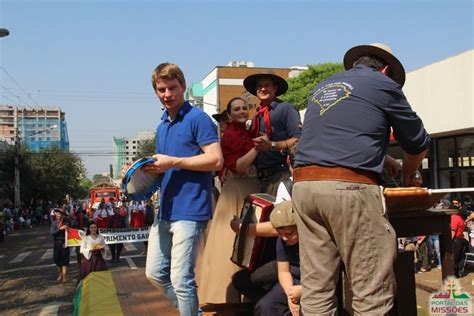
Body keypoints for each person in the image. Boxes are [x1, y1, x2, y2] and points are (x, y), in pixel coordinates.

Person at [292, 43, 431, 314]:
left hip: (305, 187)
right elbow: (417, 143)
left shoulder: (323, 85)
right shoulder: (383, 83)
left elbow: (338, 136)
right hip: (349, 190)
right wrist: (406, 175)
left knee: (317, 290)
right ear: (386, 69)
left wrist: (383, 159)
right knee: (371, 292)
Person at [142, 62, 223, 316]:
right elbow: (165, 167)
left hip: (190, 209)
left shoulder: (198, 119)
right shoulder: (162, 124)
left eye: (172, 88)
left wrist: (173, 161)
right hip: (165, 210)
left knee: (181, 279)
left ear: (183, 86)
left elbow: (216, 160)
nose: (167, 94)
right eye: (161, 89)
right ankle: (192, 312)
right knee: (154, 274)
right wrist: (142, 174)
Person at [197, 97, 260, 305]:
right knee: (233, 242)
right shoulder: (231, 136)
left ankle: (246, 293)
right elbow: (238, 167)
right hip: (237, 193)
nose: (242, 111)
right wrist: (258, 148)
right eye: (237, 109)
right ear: (229, 115)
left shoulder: (247, 132)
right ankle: (232, 294)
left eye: (244, 108)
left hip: (249, 190)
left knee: (248, 242)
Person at [243, 72, 301, 195]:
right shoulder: (256, 117)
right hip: (259, 179)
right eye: (259, 86)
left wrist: (272, 145)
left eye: (266, 85)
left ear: (275, 88)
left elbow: (298, 140)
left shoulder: (286, 109)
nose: (262, 89)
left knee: (279, 213)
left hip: (280, 176)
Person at [255, 201, 301, 316]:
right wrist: (290, 297)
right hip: (292, 281)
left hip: (313, 284)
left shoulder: (314, 241)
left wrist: (302, 290)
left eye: (289, 234)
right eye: (280, 234)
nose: (284, 238)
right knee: (266, 306)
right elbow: (284, 271)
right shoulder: (282, 241)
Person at [50, 209, 71, 283]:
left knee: (65, 260)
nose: (57, 215)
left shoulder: (67, 222)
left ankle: (64, 276)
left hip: (64, 242)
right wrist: (59, 229)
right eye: (56, 214)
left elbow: (72, 231)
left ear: (62, 214)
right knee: (56, 258)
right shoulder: (54, 223)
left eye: (59, 214)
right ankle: (60, 273)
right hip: (57, 242)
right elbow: (52, 233)